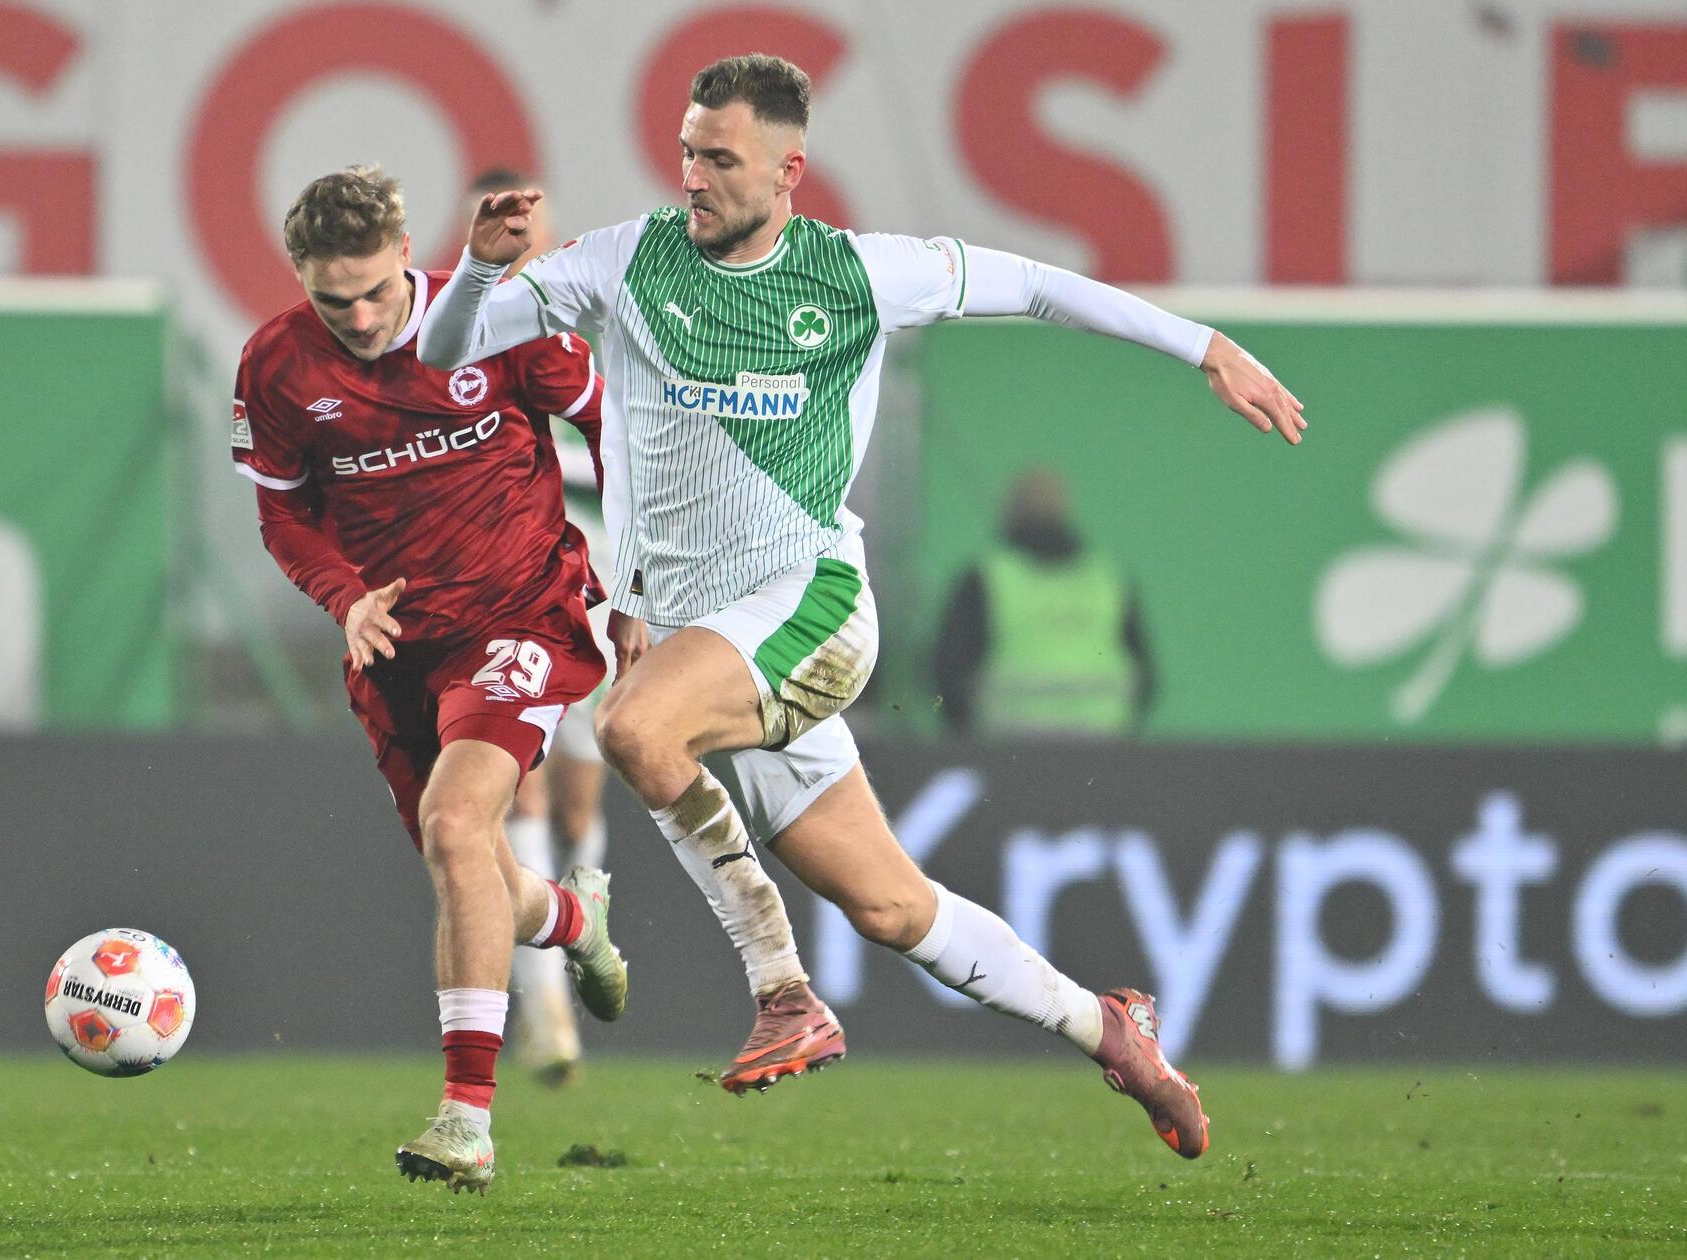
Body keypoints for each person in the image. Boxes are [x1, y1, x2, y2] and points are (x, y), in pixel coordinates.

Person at [421, 54, 1307, 1161]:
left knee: (635, 726)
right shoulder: (623, 261)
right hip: (718, 639)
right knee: (892, 912)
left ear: (789, 171)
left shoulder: (862, 276)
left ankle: (783, 989)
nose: (693, 176)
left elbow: (1036, 284)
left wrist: (1206, 347)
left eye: (721, 158)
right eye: (688, 150)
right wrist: (471, 271)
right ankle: (1111, 1029)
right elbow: (444, 350)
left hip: (810, 607)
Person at [233, 164, 627, 1193]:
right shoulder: (276, 365)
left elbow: (614, 422)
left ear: (409, 256)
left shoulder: (500, 316)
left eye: (374, 290)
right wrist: (344, 598)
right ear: (301, 282)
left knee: (459, 828)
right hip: (396, 647)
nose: (359, 316)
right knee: (470, 866)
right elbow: (284, 513)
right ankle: (572, 919)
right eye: (334, 299)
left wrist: (634, 573)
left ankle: (467, 1119)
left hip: (523, 611)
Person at [452, 168, 615, 1086]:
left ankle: (574, 940)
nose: (527, 239)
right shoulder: (466, 343)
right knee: (523, 800)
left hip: (597, 603)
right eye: (509, 222)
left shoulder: (585, 340)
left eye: (537, 223)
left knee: (581, 807)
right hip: (514, 609)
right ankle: (548, 1021)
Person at [935, 466, 1156, 737]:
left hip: (1012, 745)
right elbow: (1146, 677)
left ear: (1010, 511)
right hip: (1102, 741)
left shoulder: (987, 577)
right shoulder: (1107, 577)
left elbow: (947, 673)